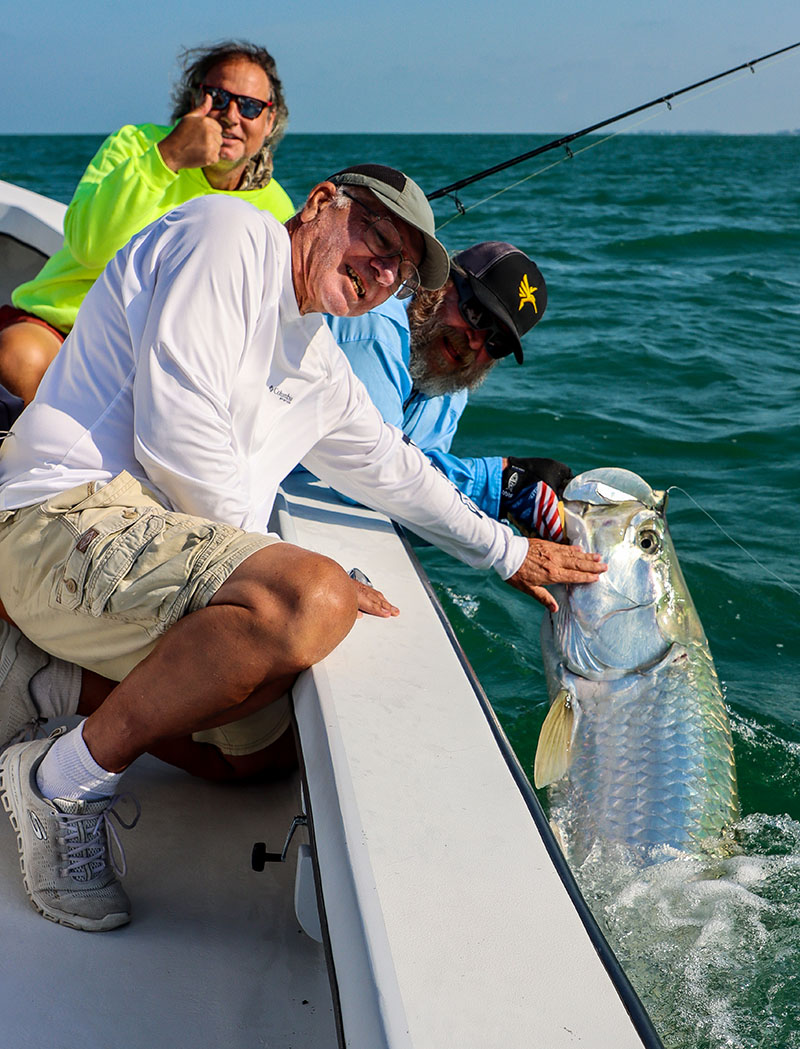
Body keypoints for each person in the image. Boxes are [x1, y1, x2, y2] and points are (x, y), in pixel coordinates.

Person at [0, 163, 605, 933]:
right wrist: (282, 579)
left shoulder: (314, 355)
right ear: (321, 203)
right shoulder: (228, 236)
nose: (381, 271)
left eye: (398, 269)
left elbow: (394, 468)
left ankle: (40, 685)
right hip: (58, 518)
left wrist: (509, 553)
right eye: (376, 240)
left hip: (138, 551)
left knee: (263, 752)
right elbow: (175, 439)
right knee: (308, 601)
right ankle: (60, 781)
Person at [0, 40, 293, 407]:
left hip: (169, 360)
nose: (231, 115)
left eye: (249, 106)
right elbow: (89, 247)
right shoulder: (137, 145)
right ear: (194, 100)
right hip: (66, 328)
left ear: (269, 122)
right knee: (18, 357)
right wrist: (168, 157)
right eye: (217, 97)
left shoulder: (277, 208)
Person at [327, 241, 571, 544]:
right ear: (442, 282)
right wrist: (501, 483)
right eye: (476, 314)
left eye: (497, 344)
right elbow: (366, 476)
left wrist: (510, 540)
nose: (475, 342)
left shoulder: (451, 391)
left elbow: (416, 506)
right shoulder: (375, 327)